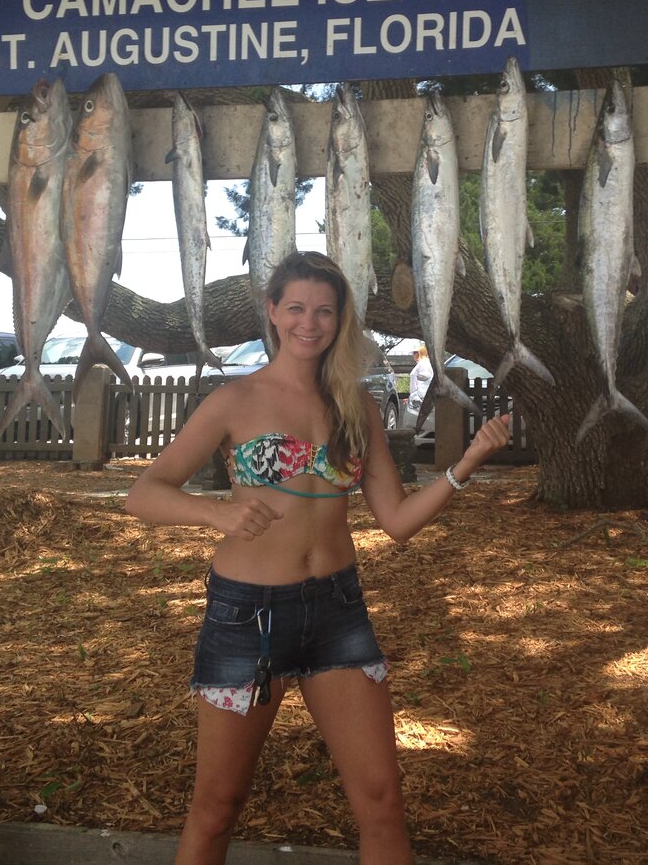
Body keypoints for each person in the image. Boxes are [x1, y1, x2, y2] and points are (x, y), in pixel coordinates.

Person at [124, 250, 511, 864]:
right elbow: (143, 493)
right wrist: (217, 513)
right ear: (273, 313)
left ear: (340, 320)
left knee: (382, 801)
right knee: (217, 808)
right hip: (247, 616)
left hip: (337, 613)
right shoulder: (234, 400)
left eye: (325, 311)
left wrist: (466, 465)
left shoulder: (356, 406)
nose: (311, 322)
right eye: (297, 308)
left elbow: (398, 522)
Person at [405, 344, 433, 418]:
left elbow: (425, 379)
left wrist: (415, 396)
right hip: (417, 398)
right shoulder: (422, 363)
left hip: (420, 399)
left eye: (415, 353)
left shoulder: (424, 364)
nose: (413, 355)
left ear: (419, 353)